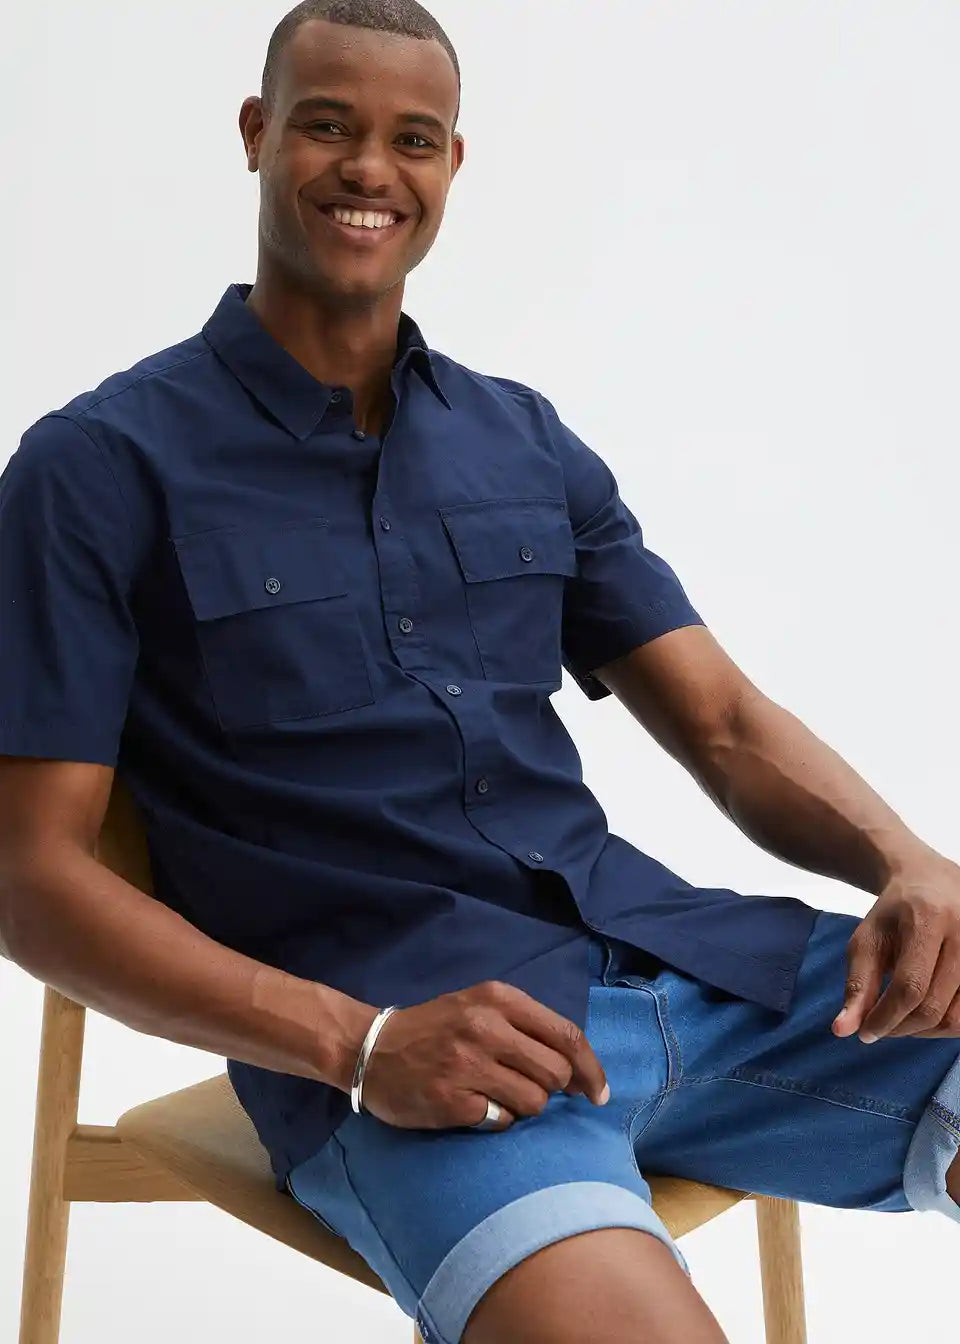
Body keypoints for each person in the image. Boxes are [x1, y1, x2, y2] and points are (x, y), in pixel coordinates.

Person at [2, 3, 959, 1341]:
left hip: (696, 978)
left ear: (452, 162)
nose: (369, 170)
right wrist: (358, 1046)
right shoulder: (97, 470)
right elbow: (29, 879)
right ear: (257, 134)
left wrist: (911, 862)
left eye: (412, 138)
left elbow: (727, 725)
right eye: (327, 126)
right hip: (422, 1060)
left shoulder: (521, 440)